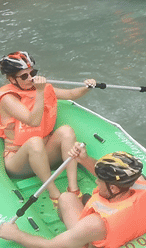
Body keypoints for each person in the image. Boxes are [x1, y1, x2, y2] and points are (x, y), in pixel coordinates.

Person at [0, 146, 146, 248]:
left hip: (94, 236)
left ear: (114, 188)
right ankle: (86, 203)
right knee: (69, 197)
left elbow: (52, 246)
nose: (95, 180)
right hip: (128, 227)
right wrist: (83, 159)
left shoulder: (95, 224)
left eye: (99, 181)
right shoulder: (138, 181)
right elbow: (112, 178)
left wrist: (16, 235)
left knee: (65, 199)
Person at [0, 51, 96, 205]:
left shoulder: (43, 88)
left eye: (33, 73)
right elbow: (33, 121)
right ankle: (54, 194)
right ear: (11, 79)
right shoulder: (7, 98)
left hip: (45, 154)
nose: (31, 78)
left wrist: (86, 87)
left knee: (66, 131)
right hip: (19, 161)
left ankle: (73, 189)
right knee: (34, 142)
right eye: (24, 76)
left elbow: (70, 93)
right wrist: (39, 91)